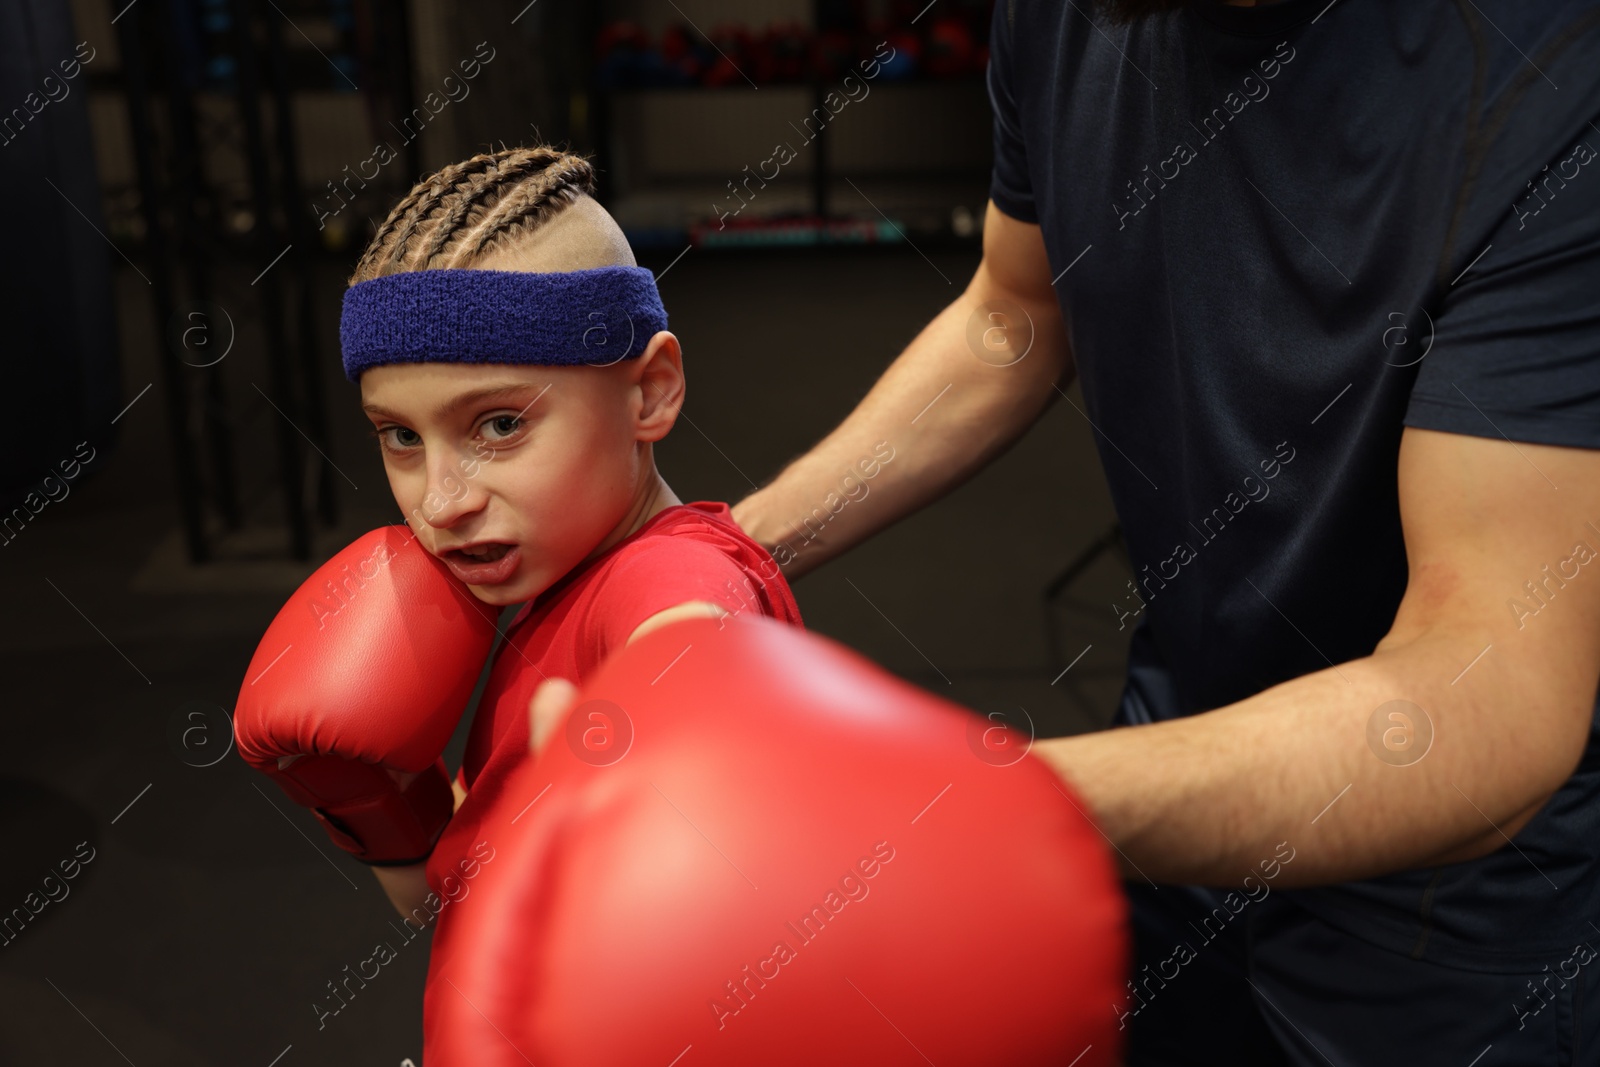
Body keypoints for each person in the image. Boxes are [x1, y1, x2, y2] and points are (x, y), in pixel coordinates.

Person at [722, 2, 1600, 1062]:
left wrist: (956, 805)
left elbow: (1483, 676)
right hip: (1178, 764)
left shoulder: (1547, 77)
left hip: (1448, 910)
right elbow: (1013, 311)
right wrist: (733, 548)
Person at [234, 145, 801, 931]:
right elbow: (453, 912)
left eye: (500, 424)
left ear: (649, 390)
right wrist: (374, 804)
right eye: (400, 437)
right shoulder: (548, 590)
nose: (442, 499)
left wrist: (671, 750)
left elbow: (694, 645)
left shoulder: (666, 576)